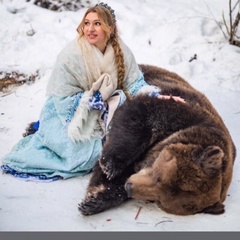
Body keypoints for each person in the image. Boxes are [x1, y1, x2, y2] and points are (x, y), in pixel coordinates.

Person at [1, 2, 184, 182]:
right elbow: (61, 98)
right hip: (68, 113)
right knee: (79, 157)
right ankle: (43, 130)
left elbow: (134, 83)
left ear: (110, 29)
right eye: (86, 23)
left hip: (107, 111)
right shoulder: (70, 55)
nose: (90, 29)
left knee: (126, 140)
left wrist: (155, 96)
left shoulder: (121, 50)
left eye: (97, 23)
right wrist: (90, 101)